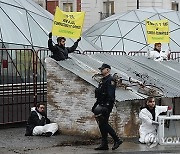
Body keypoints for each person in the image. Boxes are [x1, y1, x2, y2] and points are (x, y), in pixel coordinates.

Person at [92, 63, 123, 150]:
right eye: (101, 69)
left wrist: (107, 106)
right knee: (101, 125)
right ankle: (104, 144)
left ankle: (117, 139)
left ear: (108, 70)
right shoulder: (103, 80)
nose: (101, 70)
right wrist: (95, 105)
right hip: (101, 104)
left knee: (104, 124)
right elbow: (99, 94)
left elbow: (110, 95)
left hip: (106, 106)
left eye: (103, 69)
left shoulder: (110, 80)